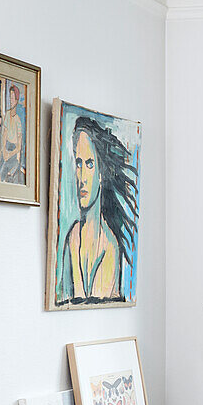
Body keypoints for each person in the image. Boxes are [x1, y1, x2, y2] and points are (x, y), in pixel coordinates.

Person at [58, 115, 139, 303]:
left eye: (89, 164)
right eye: (78, 163)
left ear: (102, 173)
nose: (82, 177)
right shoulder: (74, 235)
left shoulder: (109, 246)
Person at [0, 83, 24, 184]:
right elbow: (4, 135)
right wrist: (4, 150)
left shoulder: (18, 121)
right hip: (6, 147)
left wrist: (9, 154)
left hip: (13, 151)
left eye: (13, 98)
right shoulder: (7, 115)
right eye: (10, 98)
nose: (11, 100)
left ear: (17, 100)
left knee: (2, 173)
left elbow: (19, 147)